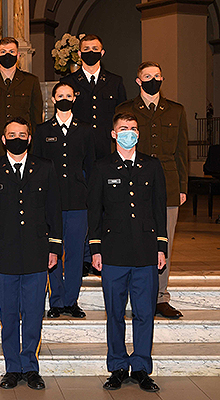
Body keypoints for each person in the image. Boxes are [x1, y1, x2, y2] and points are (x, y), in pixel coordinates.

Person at [0, 117, 62, 390]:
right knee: (9, 314)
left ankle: (31, 367)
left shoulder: (45, 168)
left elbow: (54, 210)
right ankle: (12, 367)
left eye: (22, 134)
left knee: (34, 312)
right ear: (2, 139)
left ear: (29, 138)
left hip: (37, 251)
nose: (17, 138)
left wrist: (54, 247)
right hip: (3, 252)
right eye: (11, 134)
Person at [88, 112, 167, 393]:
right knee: (115, 314)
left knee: (145, 312)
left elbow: (159, 210)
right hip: (114, 253)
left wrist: (161, 246)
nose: (128, 132)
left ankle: (142, 367)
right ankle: (118, 366)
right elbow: (94, 211)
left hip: (146, 251)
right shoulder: (101, 167)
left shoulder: (152, 166)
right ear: (113, 134)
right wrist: (95, 248)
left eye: (133, 128)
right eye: (123, 128)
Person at [116, 61, 188, 319]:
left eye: (157, 75)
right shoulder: (125, 110)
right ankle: (134, 294)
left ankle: (160, 297)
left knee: (164, 241)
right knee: (133, 238)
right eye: (147, 76)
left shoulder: (176, 111)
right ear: (138, 81)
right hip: (134, 182)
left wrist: (182, 186)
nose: (152, 80)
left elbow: (181, 151)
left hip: (168, 183)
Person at [33, 82, 95, 319]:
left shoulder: (86, 130)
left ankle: (71, 301)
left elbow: (91, 166)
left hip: (79, 201)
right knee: (54, 252)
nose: (65, 98)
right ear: (53, 100)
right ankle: (56, 301)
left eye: (69, 95)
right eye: (60, 95)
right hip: (51, 203)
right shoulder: (42, 131)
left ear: (75, 98)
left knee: (76, 252)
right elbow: (36, 167)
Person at [60, 34, 126, 160]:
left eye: (95, 49)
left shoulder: (115, 81)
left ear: (102, 53)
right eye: (86, 49)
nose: (91, 52)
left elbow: (121, 115)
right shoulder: (68, 82)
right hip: (78, 144)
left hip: (107, 144)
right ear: (79, 54)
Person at [0, 37, 43, 157]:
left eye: (11, 52)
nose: (7, 55)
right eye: (3, 52)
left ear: (18, 55)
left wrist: (36, 145)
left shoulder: (31, 81)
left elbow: (36, 118)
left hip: (23, 144)